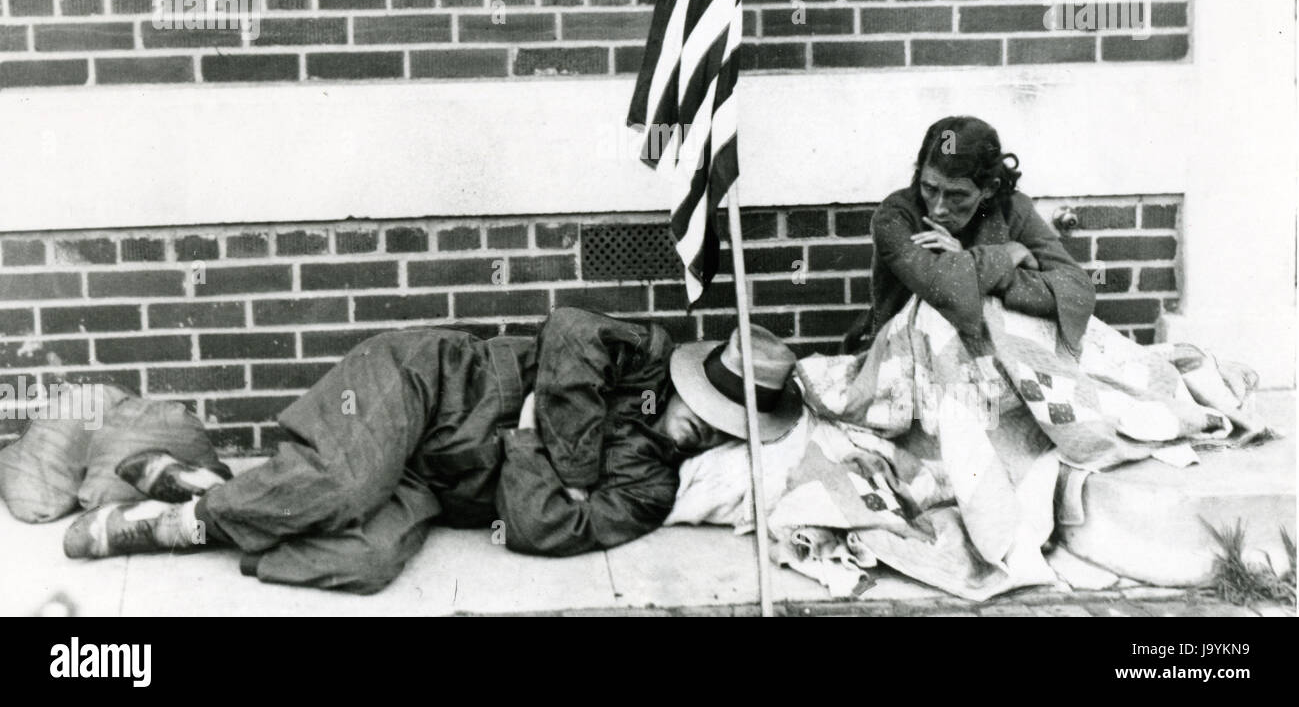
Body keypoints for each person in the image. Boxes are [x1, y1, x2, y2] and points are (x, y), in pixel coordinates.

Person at [62, 306, 802, 593]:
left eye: (729, 427)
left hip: (438, 488)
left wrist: (528, 432)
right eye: (708, 406)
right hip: (423, 386)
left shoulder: (648, 492)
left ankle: (210, 493)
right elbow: (570, 331)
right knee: (346, 489)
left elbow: (541, 528)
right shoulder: (643, 352)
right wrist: (569, 464)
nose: (707, 428)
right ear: (689, 378)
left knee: (365, 562)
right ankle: (170, 527)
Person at [846, 115, 1096, 357]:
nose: (939, 208)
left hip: (1000, 353)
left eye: (957, 195)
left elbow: (1076, 291)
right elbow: (945, 289)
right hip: (904, 352)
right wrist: (1007, 255)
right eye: (929, 188)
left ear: (989, 189)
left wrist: (968, 263)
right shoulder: (895, 216)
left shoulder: (1013, 209)